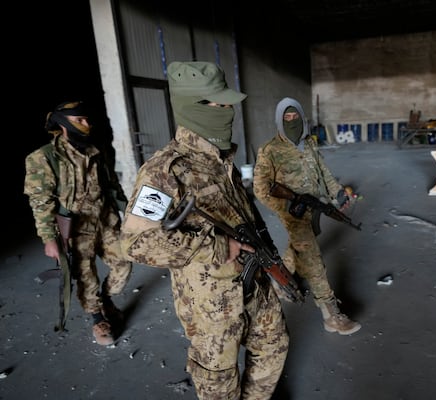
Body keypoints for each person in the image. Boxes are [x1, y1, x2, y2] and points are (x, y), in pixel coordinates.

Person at [119, 61, 289, 399]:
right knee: (218, 380)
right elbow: (135, 243)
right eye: (219, 104)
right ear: (191, 106)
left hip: (254, 281)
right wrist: (215, 246)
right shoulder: (165, 170)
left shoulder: (221, 161)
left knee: (274, 346)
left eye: (229, 105)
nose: (228, 112)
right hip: (212, 301)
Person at [24, 101, 132, 346]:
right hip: (74, 229)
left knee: (124, 263)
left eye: (86, 119)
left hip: (105, 221)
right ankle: (97, 319)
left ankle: (106, 299)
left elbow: (112, 186)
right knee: (86, 276)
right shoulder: (44, 158)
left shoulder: (97, 150)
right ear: (63, 124)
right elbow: (40, 202)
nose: (87, 124)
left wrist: (129, 215)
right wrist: (49, 238)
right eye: (79, 120)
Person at [253, 97, 361, 335]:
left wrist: (338, 193)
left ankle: (278, 282)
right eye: (286, 118)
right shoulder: (270, 150)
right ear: (279, 121)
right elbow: (260, 189)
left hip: (312, 207)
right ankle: (330, 313)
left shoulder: (309, 144)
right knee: (312, 258)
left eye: (295, 117)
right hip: (292, 212)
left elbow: (323, 171)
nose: (292, 121)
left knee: (298, 248)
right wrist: (286, 208)